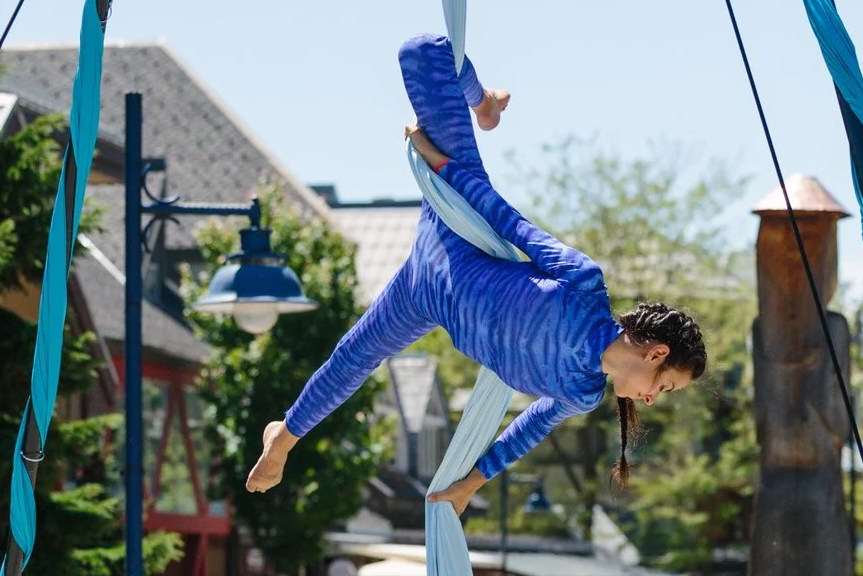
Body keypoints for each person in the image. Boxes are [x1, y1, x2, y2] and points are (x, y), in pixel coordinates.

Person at [246, 37, 705, 515]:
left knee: (356, 356)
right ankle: (483, 102)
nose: (652, 399)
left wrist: (471, 483)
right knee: (423, 52)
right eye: (665, 386)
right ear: (656, 352)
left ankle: (284, 434)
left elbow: (523, 432)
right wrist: (438, 165)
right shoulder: (584, 285)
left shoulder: (580, 391)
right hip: (455, 225)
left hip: (425, 296)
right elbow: (508, 222)